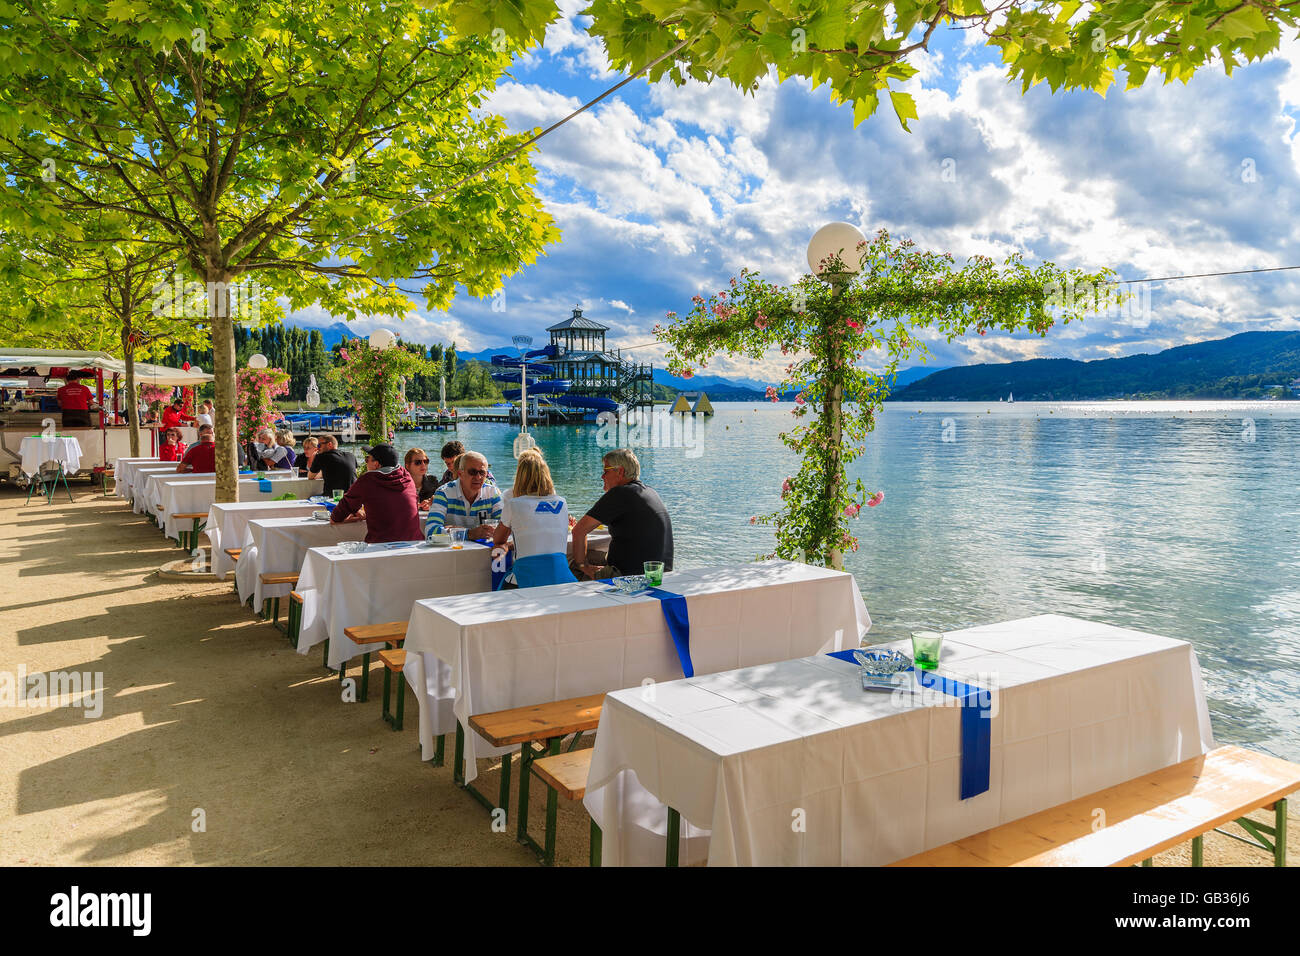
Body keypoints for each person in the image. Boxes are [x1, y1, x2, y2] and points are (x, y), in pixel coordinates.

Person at [571, 448, 673, 580]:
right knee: (592, 555)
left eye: (605, 471)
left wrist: (583, 566)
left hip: (631, 578)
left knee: (573, 565)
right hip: (661, 575)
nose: (602, 476)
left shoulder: (619, 494)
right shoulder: (650, 492)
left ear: (619, 471)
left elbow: (578, 531)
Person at [492, 451, 574, 588]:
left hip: (526, 577)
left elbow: (498, 540)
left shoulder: (514, 504)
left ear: (519, 477)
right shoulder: (562, 502)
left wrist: (509, 543)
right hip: (561, 576)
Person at [329, 443, 421, 543]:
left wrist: (353, 516)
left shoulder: (368, 480)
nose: (366, 462)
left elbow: (336, 517)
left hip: (381, 547)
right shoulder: (407, 477)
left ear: (377, 464)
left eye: (367, 459)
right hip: (415, 543)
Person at [424, 450, 502, 540]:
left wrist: (456, 532)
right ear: (460, 474)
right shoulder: (444, 493)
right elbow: (430, 531)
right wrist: (470, 534)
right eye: (472, 472)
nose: (478, 477)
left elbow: (505, 526)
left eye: (482, 472)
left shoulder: (492, 493)